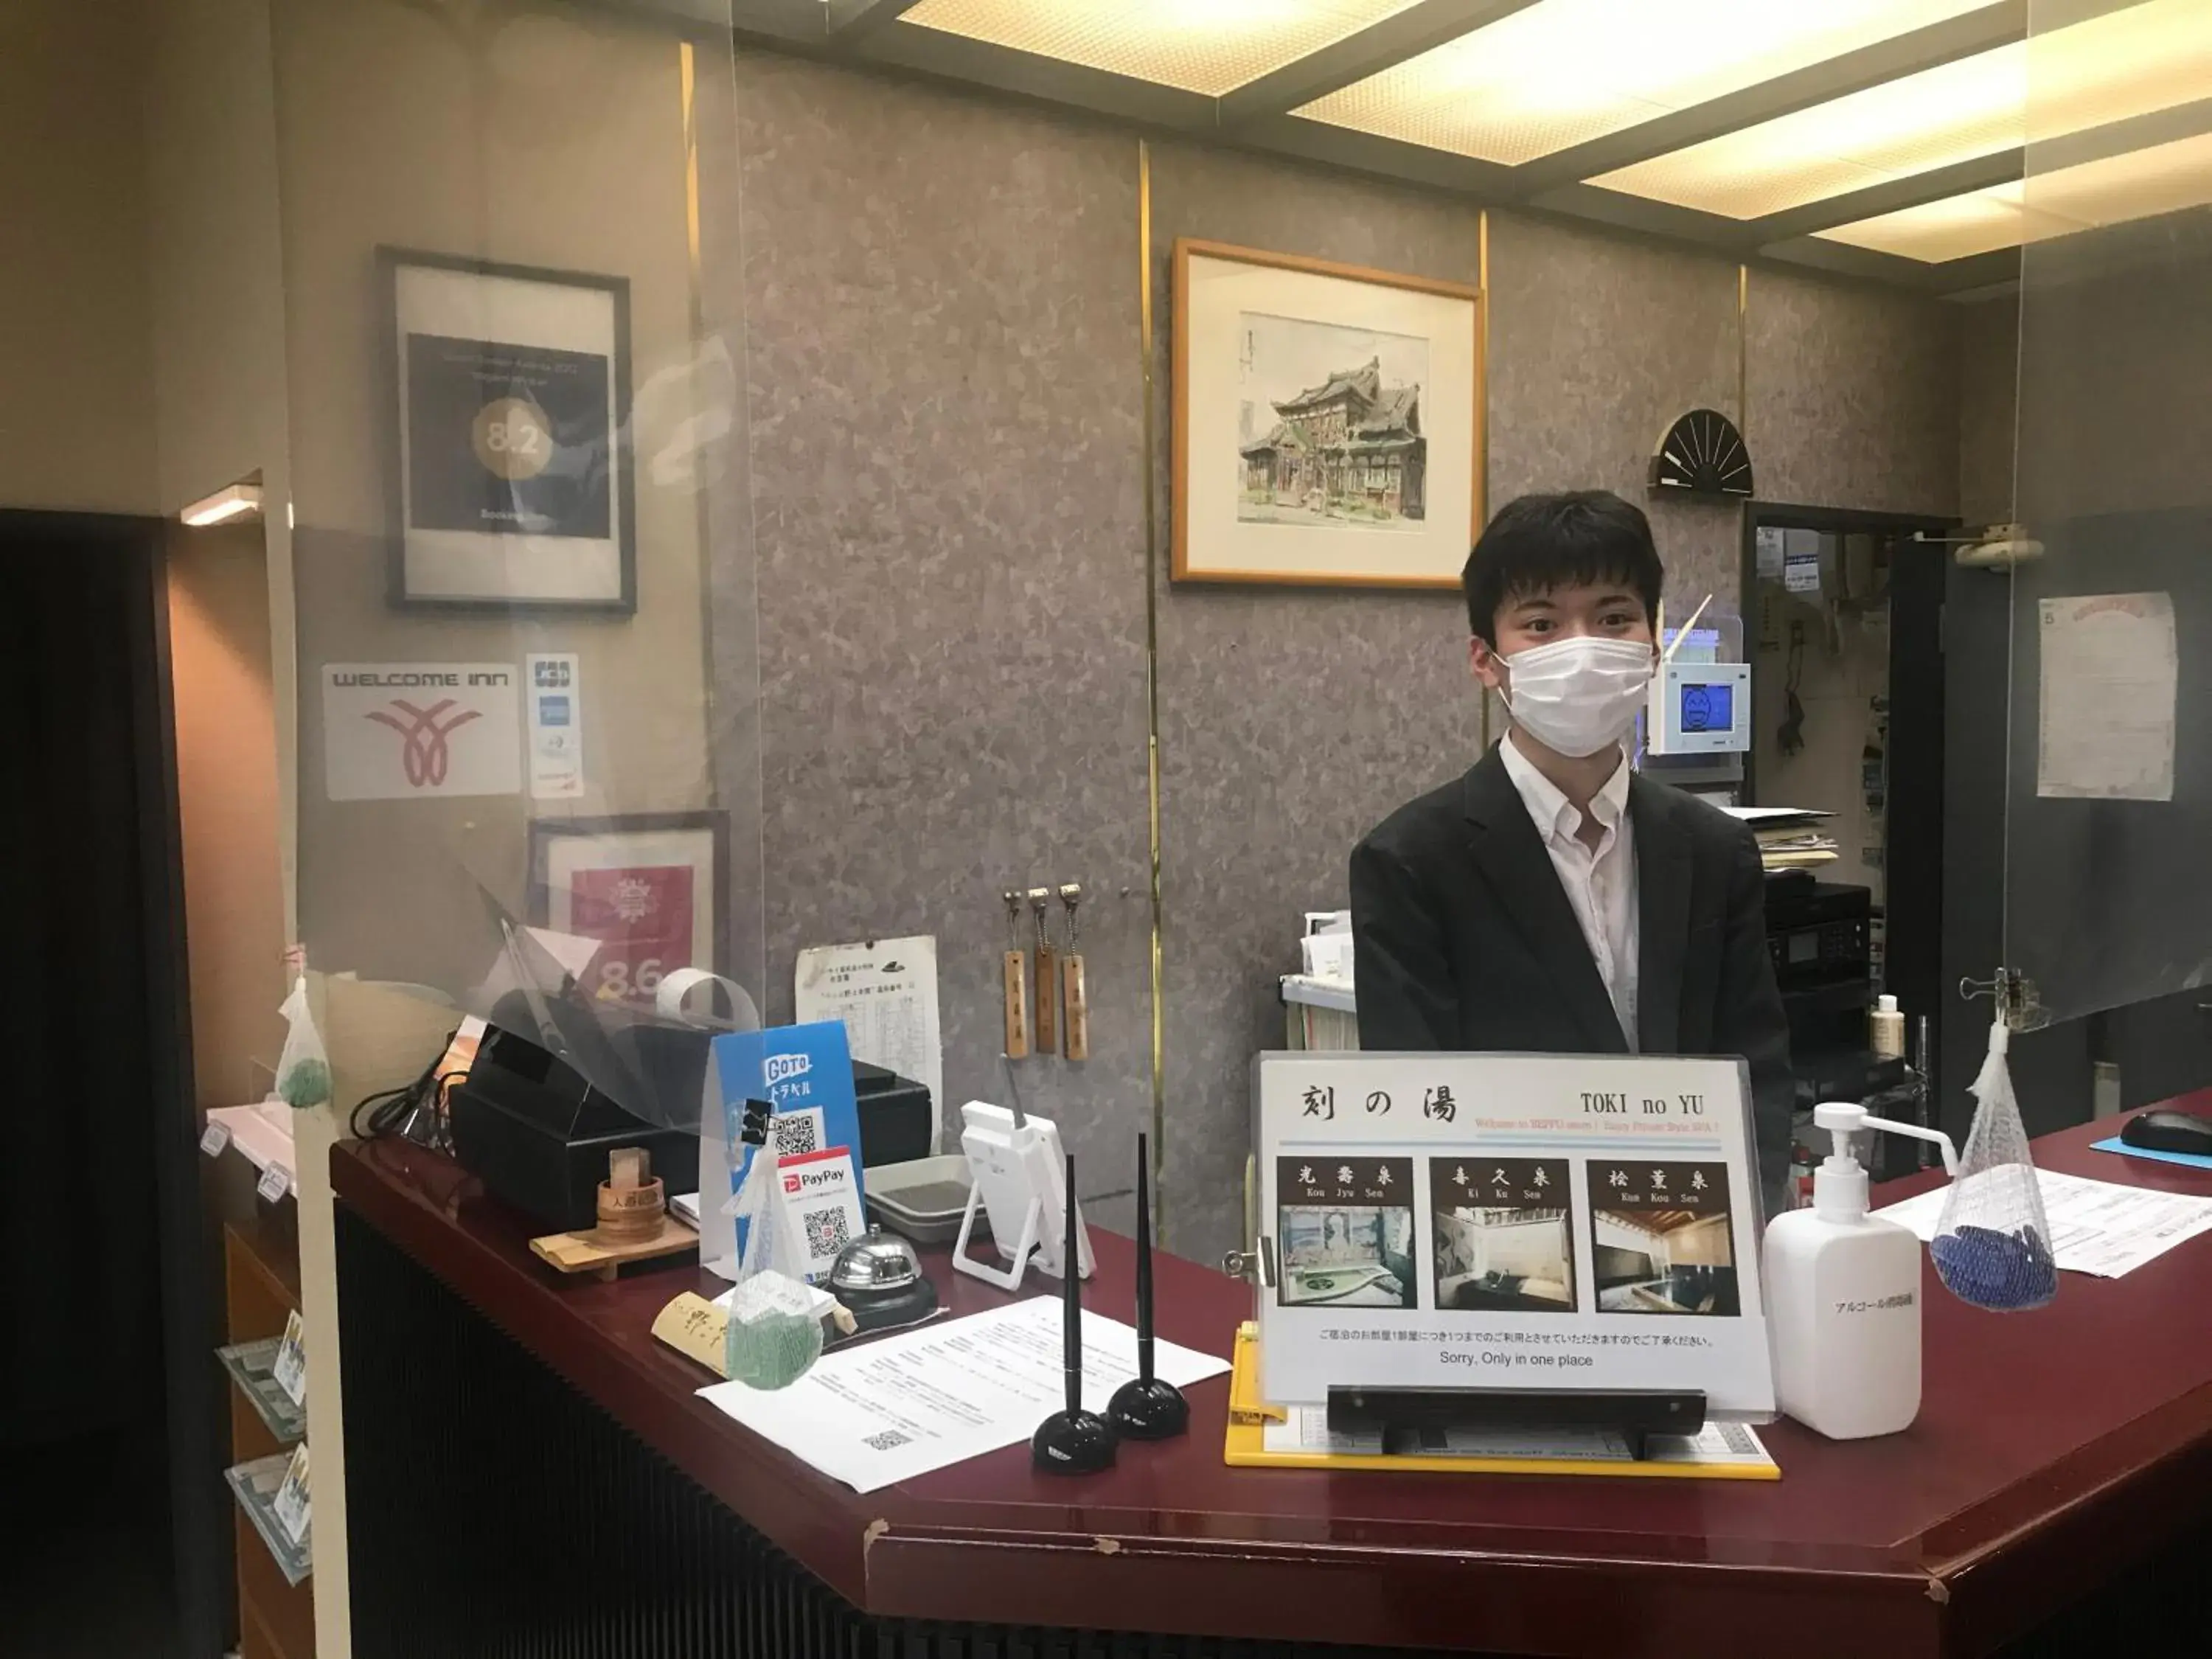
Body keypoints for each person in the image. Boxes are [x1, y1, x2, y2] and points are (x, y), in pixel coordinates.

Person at [1349, 490, 1793, 1206]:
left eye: (1613, 617)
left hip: (1695, 1233)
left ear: (1653, 645)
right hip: (1514, 1250)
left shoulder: (1715, 849)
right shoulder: (1408, 862)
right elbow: (1415, 1104)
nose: (1581, 648)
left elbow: (1757, 1068)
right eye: (1541, 624)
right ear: (1485, 660)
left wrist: (1751, 1217)